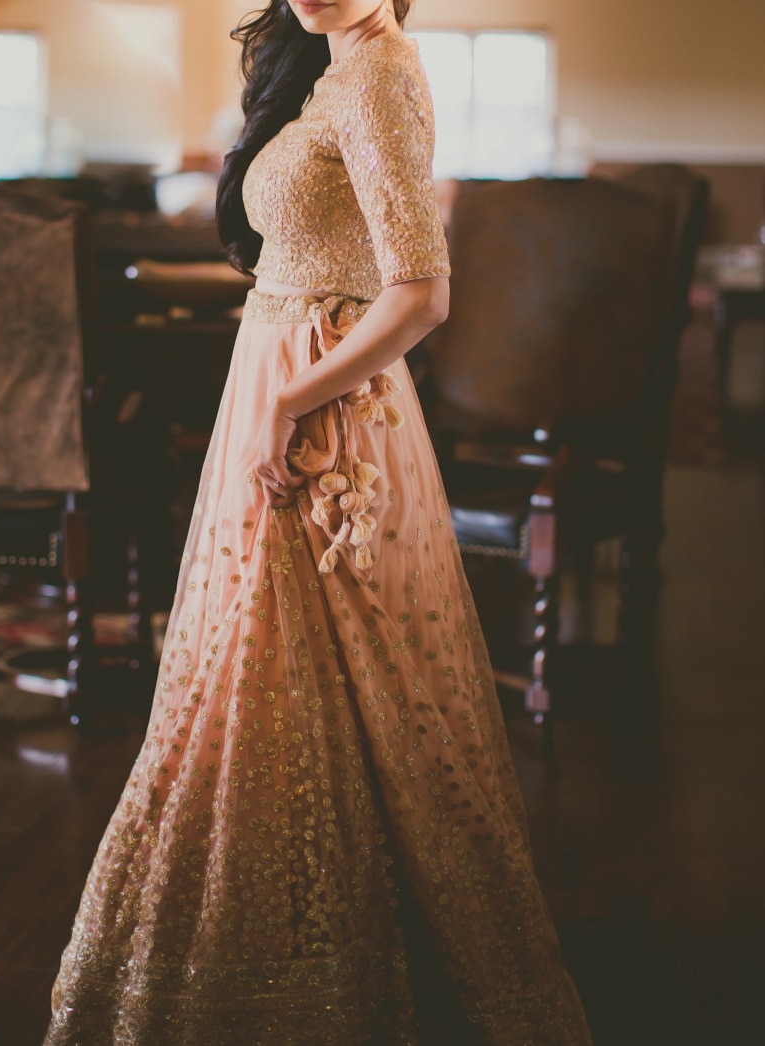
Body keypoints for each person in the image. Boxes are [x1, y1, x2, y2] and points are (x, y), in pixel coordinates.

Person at [44, 2, 592, 1042]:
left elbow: (421, 295)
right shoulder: (328, 72)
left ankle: (344, 969)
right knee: (263, 666)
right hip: (281, 382)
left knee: (318, 672)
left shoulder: (380, 72)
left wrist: (292, 402)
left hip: (327, 416)